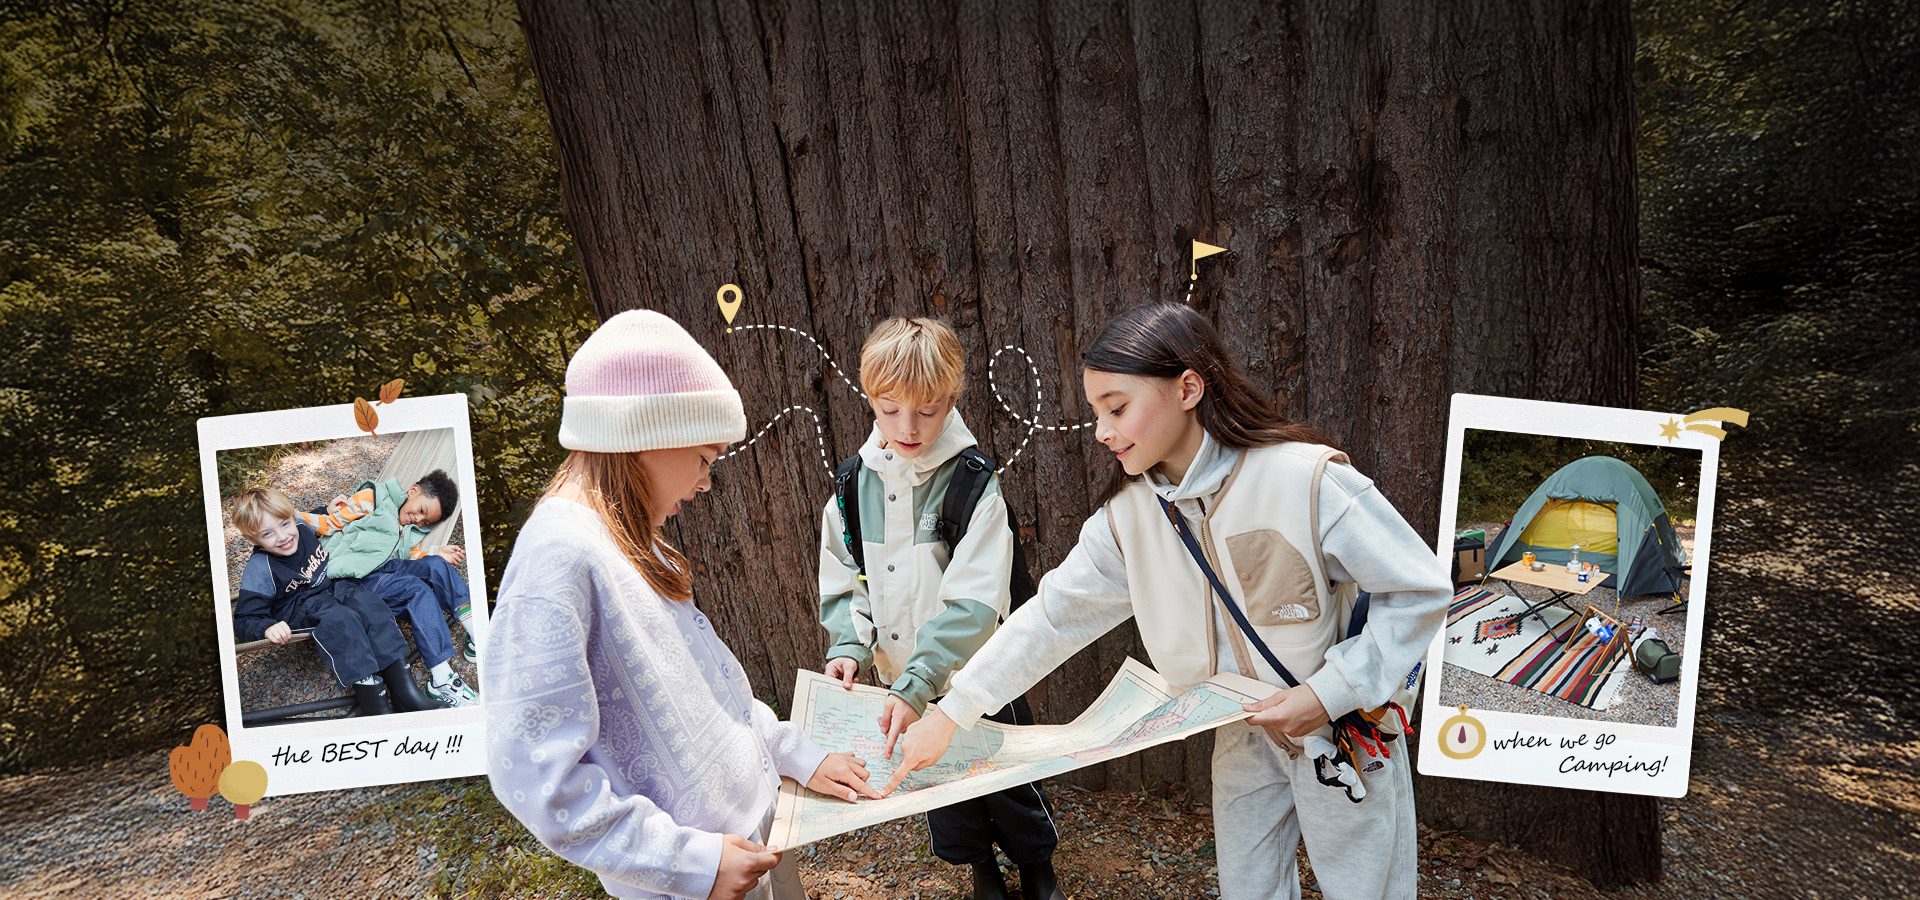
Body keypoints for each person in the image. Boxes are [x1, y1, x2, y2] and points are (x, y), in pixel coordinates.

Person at [888, 303, 1450, 900]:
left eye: (1117, 408)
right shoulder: (1127, 520)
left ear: (1188, 388)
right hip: (1242, 734)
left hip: (1346, 733)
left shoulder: (1306, 479)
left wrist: (1329, 692)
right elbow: (1052, 617)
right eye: (1096, 412)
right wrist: (952, 712)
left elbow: (1417, 590)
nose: (1103, 431)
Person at [484, 309, 880, 900]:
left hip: (748, 843)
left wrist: (793, 753)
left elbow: (716, 696)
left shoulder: (636, 545)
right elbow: (538, 779)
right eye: (704, 458)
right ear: (645, 436)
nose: (705, 482)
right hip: (694, 882)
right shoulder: (557, 562)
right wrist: (688, 862)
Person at [816, 317, 1065, 900]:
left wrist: (924, 677)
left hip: (976, 677)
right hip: (899, 679)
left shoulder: (973, 483)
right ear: (869, 398)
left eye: (927, 411)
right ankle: (980, 867)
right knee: (939, 784)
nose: (908, 427)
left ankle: (1036, 866)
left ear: (951, 400)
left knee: (1005, 776)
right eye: (889, 408)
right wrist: (849, 645)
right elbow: (845, 576)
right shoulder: (852, 487)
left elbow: (976, 600)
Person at [229, 486, 445, 715]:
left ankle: (406, 694)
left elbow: (320, 519)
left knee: (369, 604)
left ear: (293, 516)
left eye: (284, 524)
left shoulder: (302, 527)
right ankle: (375, 705)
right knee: (341, 619)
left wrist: (326, 510)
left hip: (330, 588)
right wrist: (267, 627)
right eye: (267, 534)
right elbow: (243, 619)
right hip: (298, 607)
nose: (283, 537)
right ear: (250, 538)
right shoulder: (260, 568)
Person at [302, 469, 479, 706]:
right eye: (421, 511)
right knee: (416, 590)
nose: (418, 520)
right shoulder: (373, 498)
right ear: (413, 490)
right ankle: (441, 680)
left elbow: (410, 556)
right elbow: (329, 524)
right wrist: (288, 517)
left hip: (389, 568)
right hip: (359, 576)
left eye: (426, 522)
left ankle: (477, 632)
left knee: (436, 566)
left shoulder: (409, 527)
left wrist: (436, 552)